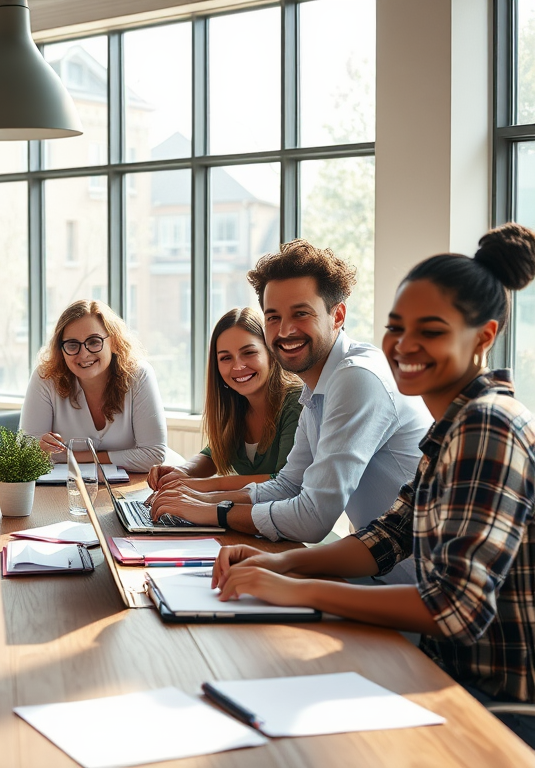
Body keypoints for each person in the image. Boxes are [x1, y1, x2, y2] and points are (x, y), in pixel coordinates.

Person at [212, 223, 535, 745]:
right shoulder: (452, 426)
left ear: (484, 337)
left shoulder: (488, 425)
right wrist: (279, 562)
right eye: (397, 326)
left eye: (430, 330)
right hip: (443, 671)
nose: (404, 345)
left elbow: (454, 607)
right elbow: (384, 540)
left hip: (497, 704)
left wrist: (296, 588)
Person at [151, 240, 431, 583]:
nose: (284, 331)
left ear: (337, 315)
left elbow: (312, 518)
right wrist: (195, 498)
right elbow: (288, 484)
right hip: (377, 575)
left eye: (301, 313)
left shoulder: (356, 378)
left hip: (415, 587)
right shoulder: (317, 386)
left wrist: (212, 511)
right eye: (273, 317)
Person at [149, 307, 302, 492]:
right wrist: (182, 471)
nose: (237, 366)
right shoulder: (237, 404)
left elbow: (285, 483)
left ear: (270, 353)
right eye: (226, 358)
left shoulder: (296, 403)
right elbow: (213, 454)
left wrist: (198, 486)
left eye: (249, 352)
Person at [20, 299, 167, 473]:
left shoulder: (138, 375)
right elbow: (25, 453)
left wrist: (69, 456)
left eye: (94, 342)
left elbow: (153, 456)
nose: (84, 354)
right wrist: (40, 449)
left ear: (114, 342)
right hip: (63, 491)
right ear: (61, 349)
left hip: (128, 490)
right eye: (72, 345)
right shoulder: (45, 377)